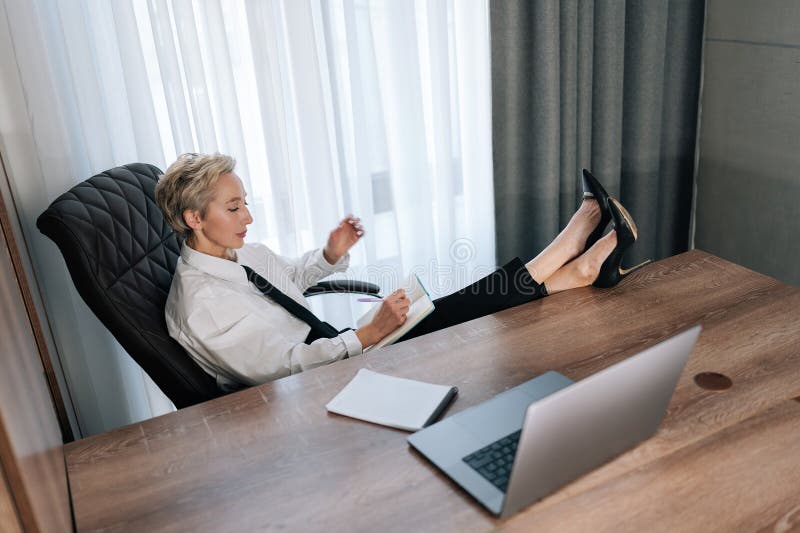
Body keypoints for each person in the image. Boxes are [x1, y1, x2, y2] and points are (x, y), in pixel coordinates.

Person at [156, 153, 646, 391]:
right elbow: (282, 368)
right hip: (315, 387)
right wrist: (365, 336)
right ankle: (579, 242)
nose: (249, 218)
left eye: (247, 204)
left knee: (456, 308)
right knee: (462, 311)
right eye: (235, 207)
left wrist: (328, 254)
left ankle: (579, 263)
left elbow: (289, 280)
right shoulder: (202, 305)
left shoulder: (241, 253)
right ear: (195, 219)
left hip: (336, 350)